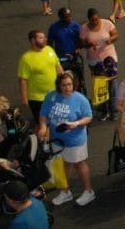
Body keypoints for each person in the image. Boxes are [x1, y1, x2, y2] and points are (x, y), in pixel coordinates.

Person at [37, 72, 95, 206]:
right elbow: (43, 115)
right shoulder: (51, 96)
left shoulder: (80, 99)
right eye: (64, 85)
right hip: (57, 140)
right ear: (59, 85)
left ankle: (89, 191)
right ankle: (66, 191)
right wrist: (43, 128)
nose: (67, 87)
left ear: (73, 84)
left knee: (79, 164)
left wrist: (76, 124)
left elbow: (88, 117)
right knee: (63, 165)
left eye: (69, 84)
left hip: (75, 141)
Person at [18, 30, 61, 122]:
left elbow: (57, 65)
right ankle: (39, 136)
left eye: (44, 37)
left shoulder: (50, 50)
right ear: (33, 40)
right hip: (37, 99)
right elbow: (23, 80)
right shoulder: (26, 59)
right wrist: (24, 99)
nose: (45, 39)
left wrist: (64, 80)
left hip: (54, 94)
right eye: (41, 38)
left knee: (55, 121)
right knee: (42, 124)